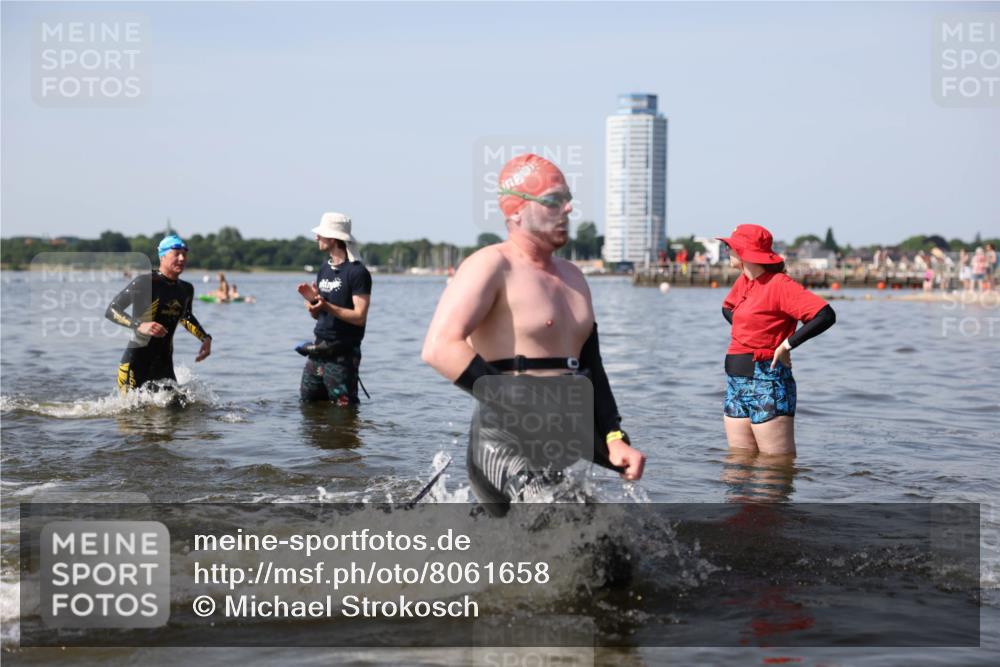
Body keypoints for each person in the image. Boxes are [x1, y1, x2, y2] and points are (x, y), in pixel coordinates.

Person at [422, 153, 646, 509]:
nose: (568, 209)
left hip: (561, 442)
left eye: (568, 199)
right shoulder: (491, 265)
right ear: (516, 211)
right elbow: (439, 347)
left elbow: (594, 371)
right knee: (565, 520)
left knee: (611, 551)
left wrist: (615, 438)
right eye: (554, 200)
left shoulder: (574, 278)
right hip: (502, 443)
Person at [718, 224, 835, 456]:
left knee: (774, 470)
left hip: (768, 382)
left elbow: (825, 315)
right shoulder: (743, 281)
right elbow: (727, 308)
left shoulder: (779, 285)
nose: (727, 251)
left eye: (730, 246)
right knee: (737, 468)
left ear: (745, 252)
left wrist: (786, 344)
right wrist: (751, 331)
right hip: (736, 382)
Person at [106, 234, 212, 392]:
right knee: (130, 415)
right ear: (162, 256)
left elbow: (185, 316)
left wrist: (205, 338)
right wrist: (139, 325)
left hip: (164, 364)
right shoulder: (145, 282)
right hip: (136, 364)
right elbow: (112, 310)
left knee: (177, 410)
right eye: (176, 254)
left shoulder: (186, 289)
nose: (182, 258)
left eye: (185, 254)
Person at [296, 212, 372, 405]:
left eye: (320, 234)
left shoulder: (357, 272)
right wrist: (314, 306)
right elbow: (321, 315)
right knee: (308, 407)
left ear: (333, 237)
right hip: (318, 352)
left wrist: (326, 306)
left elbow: (359, 316)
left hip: (342, 357)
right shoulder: (324, 268)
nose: (316, 237)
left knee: (344, 413)